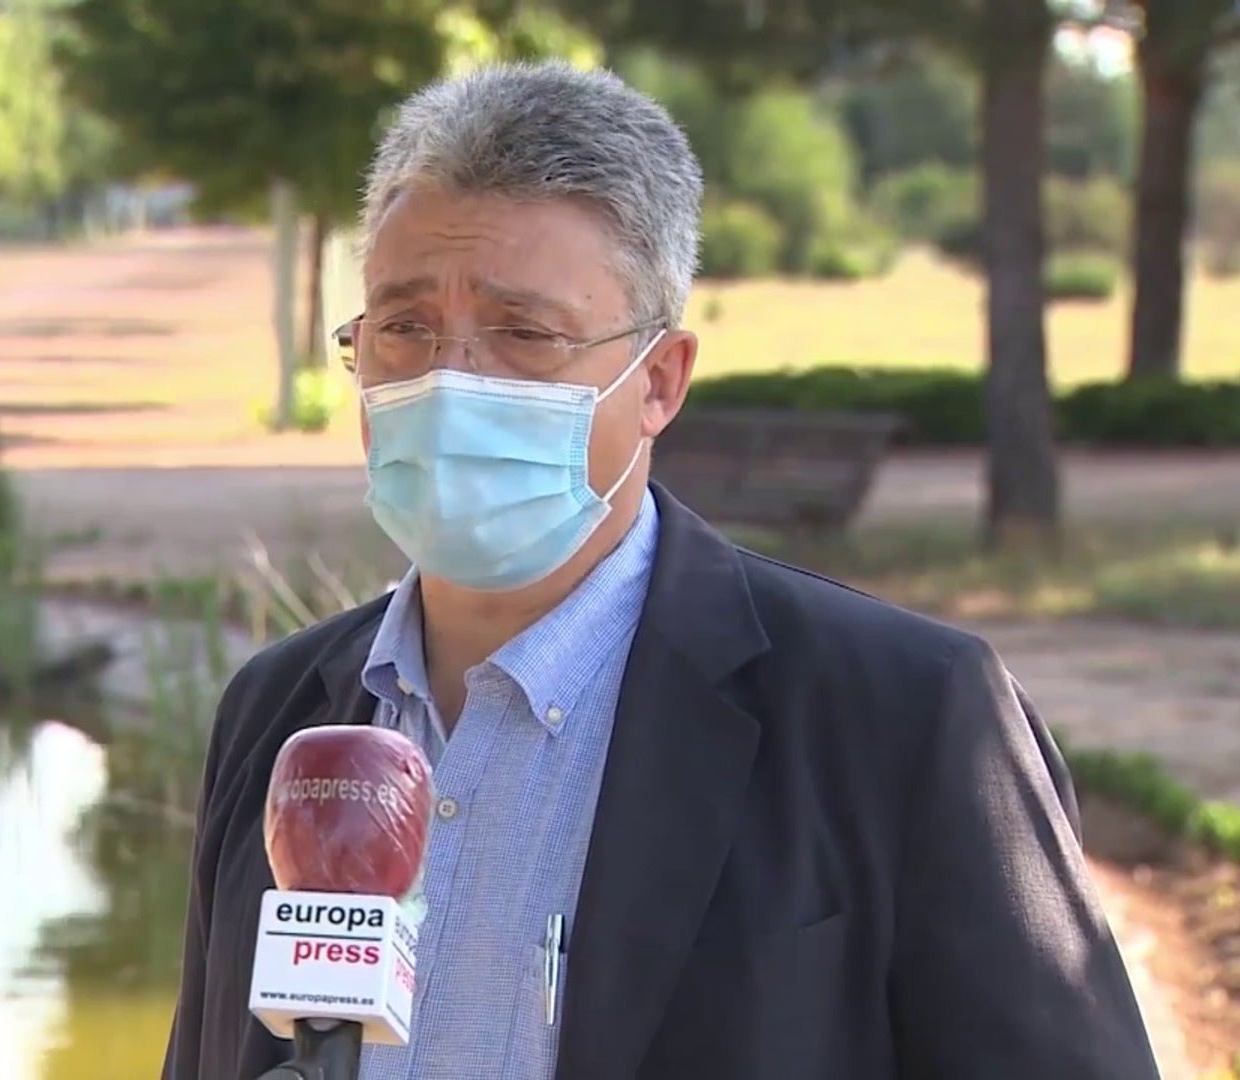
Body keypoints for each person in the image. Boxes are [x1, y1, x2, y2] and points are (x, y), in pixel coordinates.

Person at [162, 60, 1163, 1080]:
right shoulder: (279, 712)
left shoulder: (903, 716)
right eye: (405, 328)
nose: (450, 381)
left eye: (524, 334)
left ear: (659, 382)